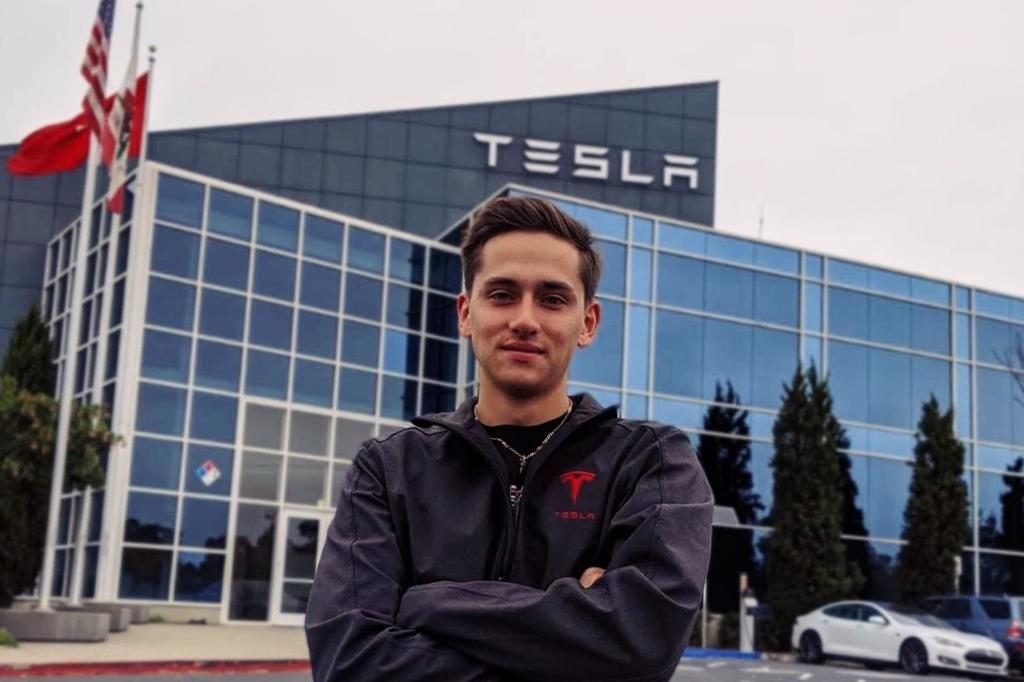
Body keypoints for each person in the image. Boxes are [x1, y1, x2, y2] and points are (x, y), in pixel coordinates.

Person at [305, 196, 713, 682]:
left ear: (587, 323)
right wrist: (579, 640)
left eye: (553, 298)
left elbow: (644, 642)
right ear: (465, 313)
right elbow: (348, 662)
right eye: (501, 294)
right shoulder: (390, 468)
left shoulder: (651, 461)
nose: (525, 319)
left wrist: (427, 602)